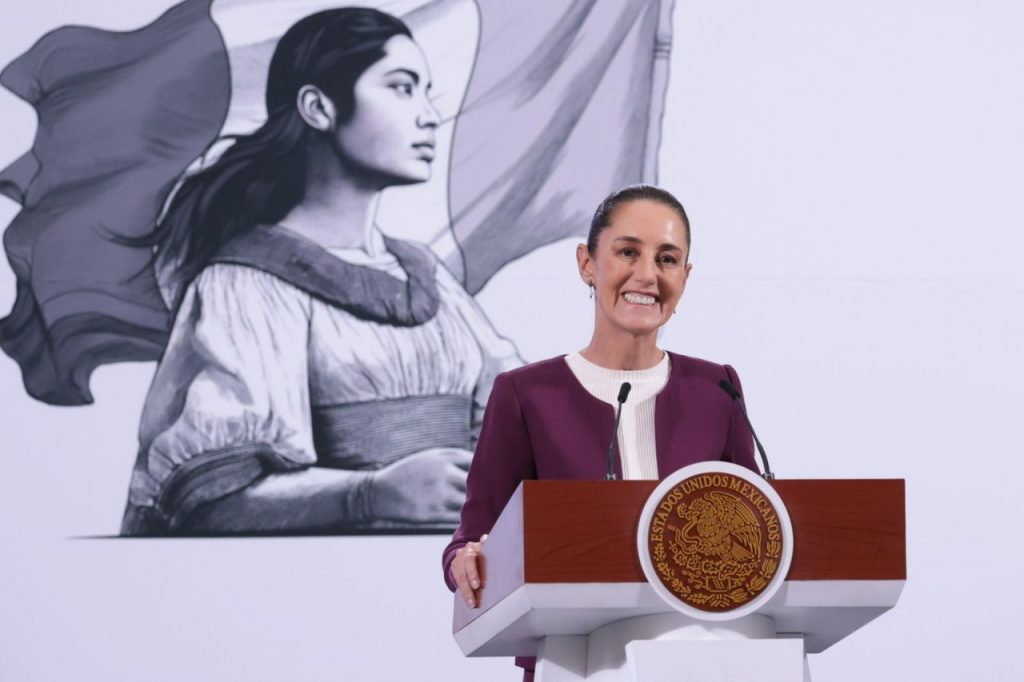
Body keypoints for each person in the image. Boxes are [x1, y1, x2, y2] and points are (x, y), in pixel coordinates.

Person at [120, 8, 519, 535]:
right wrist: (370, 494)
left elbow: (512, 421)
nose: (429, 116)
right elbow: (210, 498)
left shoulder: (429, 277)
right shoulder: (246, 284)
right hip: (320, 574)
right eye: (402, 88)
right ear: (318, 107)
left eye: (427, 92)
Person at [441, 184, 760, 680]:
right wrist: (466, 559)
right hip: (574, 662)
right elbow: (471, 538)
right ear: (587, 264)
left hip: (705, 660)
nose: (647, 274)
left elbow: (761, 531)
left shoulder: (718, 388)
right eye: (627, 252)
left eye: (667, 259)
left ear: (685, 276)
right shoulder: (526, 395)